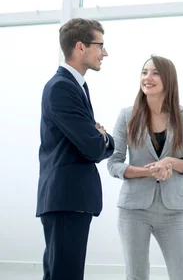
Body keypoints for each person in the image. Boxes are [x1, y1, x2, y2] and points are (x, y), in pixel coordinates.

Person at [106, 55, 183, 280]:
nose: (148, 78)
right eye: (144, 72)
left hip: (173, 210)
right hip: (133, 210)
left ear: (168, 79)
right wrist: (147, 171)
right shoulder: (127, 115)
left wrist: (169, 162)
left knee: (182, 275)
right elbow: (114, 163)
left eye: (155, 73)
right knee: (136, 275)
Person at [36, 18, 114, 280]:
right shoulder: (62, 87)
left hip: (69, 199)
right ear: (80, 47)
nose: (105, 52)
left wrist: (102, 138)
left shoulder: (76, 86)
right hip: (65, 198)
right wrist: (99, 137)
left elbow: (101, 142)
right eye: (100, 45)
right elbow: (93, 147)